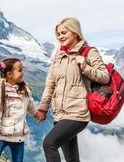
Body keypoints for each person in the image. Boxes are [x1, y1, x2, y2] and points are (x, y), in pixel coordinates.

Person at [36, 18, 110, 162]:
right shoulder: (58, 56)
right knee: (72, 159)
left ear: (75, 32)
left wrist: (85, 67)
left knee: (49, 144)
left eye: (64, 32)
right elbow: (50, 84)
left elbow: (105, 77)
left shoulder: (89, 52)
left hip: (77, 113)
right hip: (59, 114)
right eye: (58, 34)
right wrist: (43, 108)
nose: (60, 36)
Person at [0, 58, 41, 162]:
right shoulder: (1, 91)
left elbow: (30, 103)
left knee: (18, 160)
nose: (23, 72)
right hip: (2, 134)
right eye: (20, 70)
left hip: (18, 135)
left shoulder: (25, 88)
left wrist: (36, 114)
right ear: (9, 74)